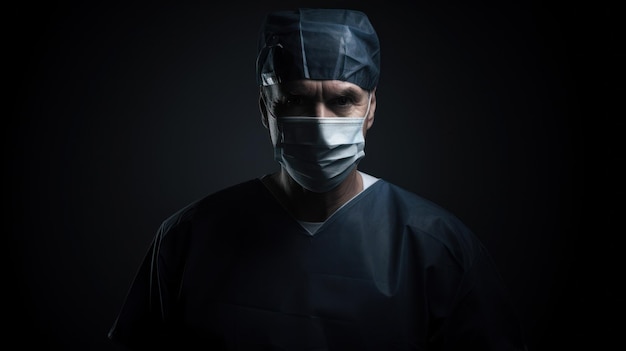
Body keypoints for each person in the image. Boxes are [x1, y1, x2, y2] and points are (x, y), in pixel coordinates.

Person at [108, 8, 528, 350]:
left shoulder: (437, 248)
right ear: (264, 108)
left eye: (343, 100)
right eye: (296, 100)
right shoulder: (188, 239)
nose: (320, 123)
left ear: (371, 108)